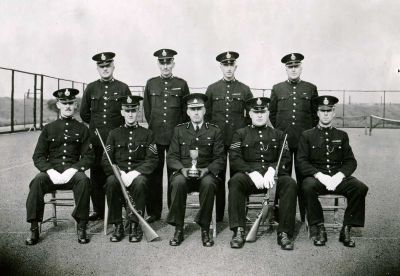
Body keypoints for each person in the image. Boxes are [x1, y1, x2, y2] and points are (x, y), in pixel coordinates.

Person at [297, 95, 368, 247]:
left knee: (360, 187)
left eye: (329, 111)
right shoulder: (307, 135)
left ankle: (346, 229)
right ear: (317, 113)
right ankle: (320, 228)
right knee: (307, 186)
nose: (326, 114)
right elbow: (301, 161)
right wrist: (318, 174)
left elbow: (350, 161)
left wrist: (340, 175)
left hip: (337, 177)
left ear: (334, 112)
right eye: (323, 111)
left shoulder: (342, 135)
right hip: (317, 178)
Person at [25, 88, 94, 245]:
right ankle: (34, 227)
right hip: (52, 173)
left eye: (70, 103)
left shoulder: (82, 129)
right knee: (37, 181)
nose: (68, 106)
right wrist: (49, 170)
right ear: (58, 105)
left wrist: (74, 169)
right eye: (64, 103)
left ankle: (82, 226)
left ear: (75, 105)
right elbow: (38, 156)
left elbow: (89, 156)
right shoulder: (49, 128)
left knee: (84, 181)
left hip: (72, 172)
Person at [228, 97, 297, 250]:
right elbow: (234, 157)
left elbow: (285, 157)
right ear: (249, 114)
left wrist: (273, 170)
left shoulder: (279, 135)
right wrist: (251, 172)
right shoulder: (240, 133)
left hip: (273, 178)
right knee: (235, 181)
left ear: (268, 113)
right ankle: (238, 230)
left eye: (263, 112)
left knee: (290, 184)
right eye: (255, 112)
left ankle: (284, 233)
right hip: (249, 177)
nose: (259, 115)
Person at [166, 93, 225, 247]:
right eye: (193, 109)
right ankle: (178, 228)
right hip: (185, 174)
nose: (196, 112)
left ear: (205, 110)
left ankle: (205, 228)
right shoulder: (179, 130)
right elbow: (171, 156)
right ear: (187, 112)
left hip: (205, 174)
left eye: (199, 108)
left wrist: (207, 170)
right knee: (177, 182)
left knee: (209, 184)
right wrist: (182, 169)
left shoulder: (214, 131)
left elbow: (220, 158)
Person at [80, 52, 132, 221]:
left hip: (117, 141)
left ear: (113, 67)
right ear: (97, 68)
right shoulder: (91, 88)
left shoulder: (123, 88)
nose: (105, 69)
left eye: (108, 66)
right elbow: (84, 113)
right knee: (96, 176)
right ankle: (98, 210)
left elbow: (127, 110)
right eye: (102, 67)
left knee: (118, 174)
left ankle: (121, 208)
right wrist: (97, 128)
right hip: (96, 140)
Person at [269, 53, 319, 220]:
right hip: (284, 142)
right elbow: (273, 114)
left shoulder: (311, 88)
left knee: (305, 178)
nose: (293, 69)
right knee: (282, 178)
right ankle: (280, 214)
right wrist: (281, 132)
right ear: (286, 69)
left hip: (304, 142)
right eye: (290, 67)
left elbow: (314, 115)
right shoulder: (277, 88)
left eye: (296, 66)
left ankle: (306, 214)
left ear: (301, 67)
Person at [102, 95, 158, 242]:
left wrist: (135, 172)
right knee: (111, 182)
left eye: (133, 110)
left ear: (138, 111)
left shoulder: (148, 134)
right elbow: (105, 160)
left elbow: (152, 159)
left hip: (138, 174)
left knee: (140, 183)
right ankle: (118, 225)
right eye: (127, 111)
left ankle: (135, 225)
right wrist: (119, 173)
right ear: (122, 113)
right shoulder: (113, 134)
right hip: (119, 174)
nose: (131, 114)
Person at [205, 51, 253, 221]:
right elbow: (207, 115)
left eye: (231, 65)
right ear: (220, 66)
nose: (228, 68)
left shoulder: (245, 90)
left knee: (238, 177)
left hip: (237, 142)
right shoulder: (212, 89)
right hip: (217, 141)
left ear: (235, 66)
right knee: (216, 176)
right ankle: (217, 215)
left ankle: (239, 214)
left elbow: (250, 116)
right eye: (225, 65)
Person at [143, 48, 190, 222]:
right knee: (154, 175)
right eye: (162, 63)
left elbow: (186, 112)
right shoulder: (151, 83)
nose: (165, 66)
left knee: (174, 175)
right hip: (155, 136)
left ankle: (173, 210)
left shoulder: (182, 84)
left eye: (168, 62)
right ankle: (154, 212)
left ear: (173, 64)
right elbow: (148, 111)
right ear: (158, 64)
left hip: (175, 138)